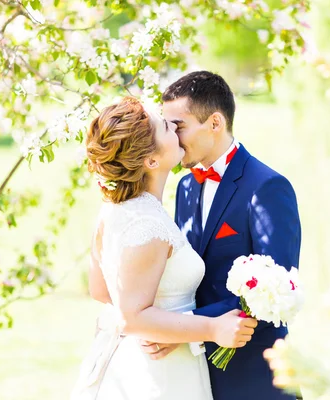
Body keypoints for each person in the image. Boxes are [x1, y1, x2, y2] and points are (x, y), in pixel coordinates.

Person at [70, 96, 257, 400]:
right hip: (159, 374)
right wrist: (210, 329)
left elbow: (101, 291)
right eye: (166, 127)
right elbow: (133, 317)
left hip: (135, 360)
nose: (174, 127)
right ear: (151, 160)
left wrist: (157, 320)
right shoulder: (147, 223)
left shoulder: (114, 209)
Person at [142, 71, 302, 400]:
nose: (170, 136)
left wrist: (186, 328)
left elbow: (276, 291)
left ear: (215, 123)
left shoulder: (267, 188)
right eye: (167, 126)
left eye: (178, 126)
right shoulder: (185, 186)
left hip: (253, 377)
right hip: (191, 373)